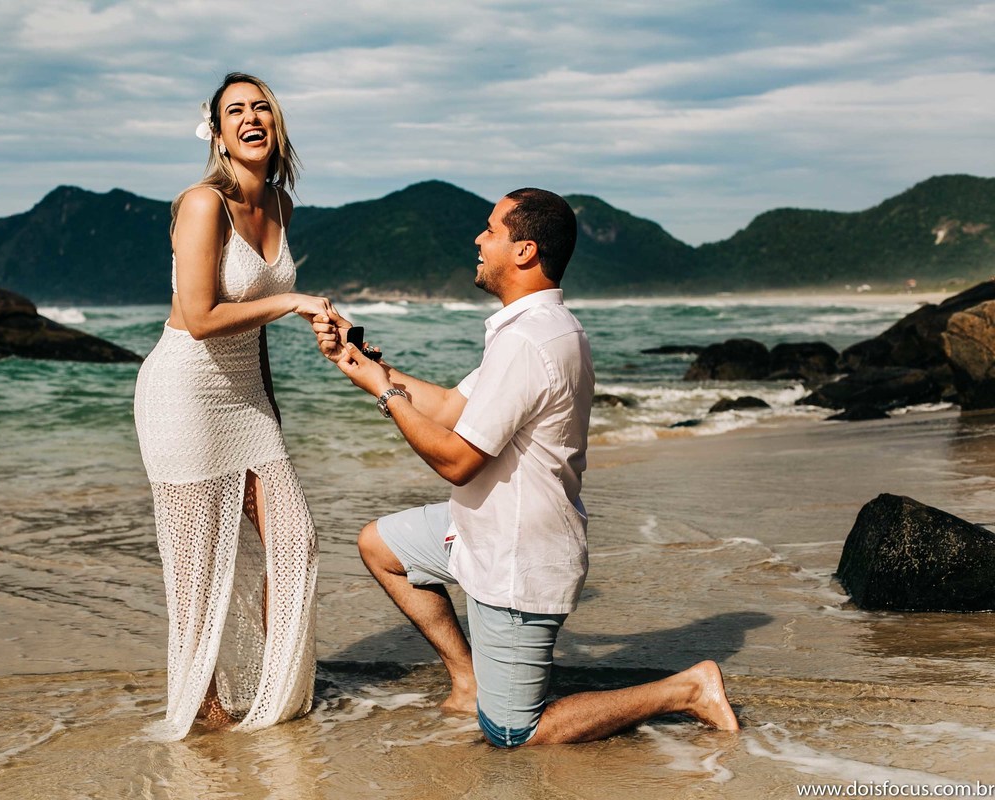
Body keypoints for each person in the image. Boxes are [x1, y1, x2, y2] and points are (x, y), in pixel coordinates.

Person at [315, 188, 739, 747]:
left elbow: (457, 461)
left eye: (490, 229)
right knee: (381, 545)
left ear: (524, 250)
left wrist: (384, 394)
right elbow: (449, 406)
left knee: (515, 731)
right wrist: (364, 364)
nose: (478, 239)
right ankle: (469, 680)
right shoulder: (537, 329)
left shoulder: (529, 341)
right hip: (480, 527)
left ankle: (686, 690)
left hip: (519, 556)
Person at [134, 72, 338, 740]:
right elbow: (199, 317)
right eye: (236, 111)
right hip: (183, 393)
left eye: (261, 108)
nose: (252, 118)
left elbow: (252, 331)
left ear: (275, 124)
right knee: (197, 562)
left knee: (296, 541)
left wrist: (270, 409)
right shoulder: (202, 204)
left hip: (247, 396)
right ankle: (207, 708)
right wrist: (291, 301)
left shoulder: (279, 203)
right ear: (218, 133)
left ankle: (278, 694)